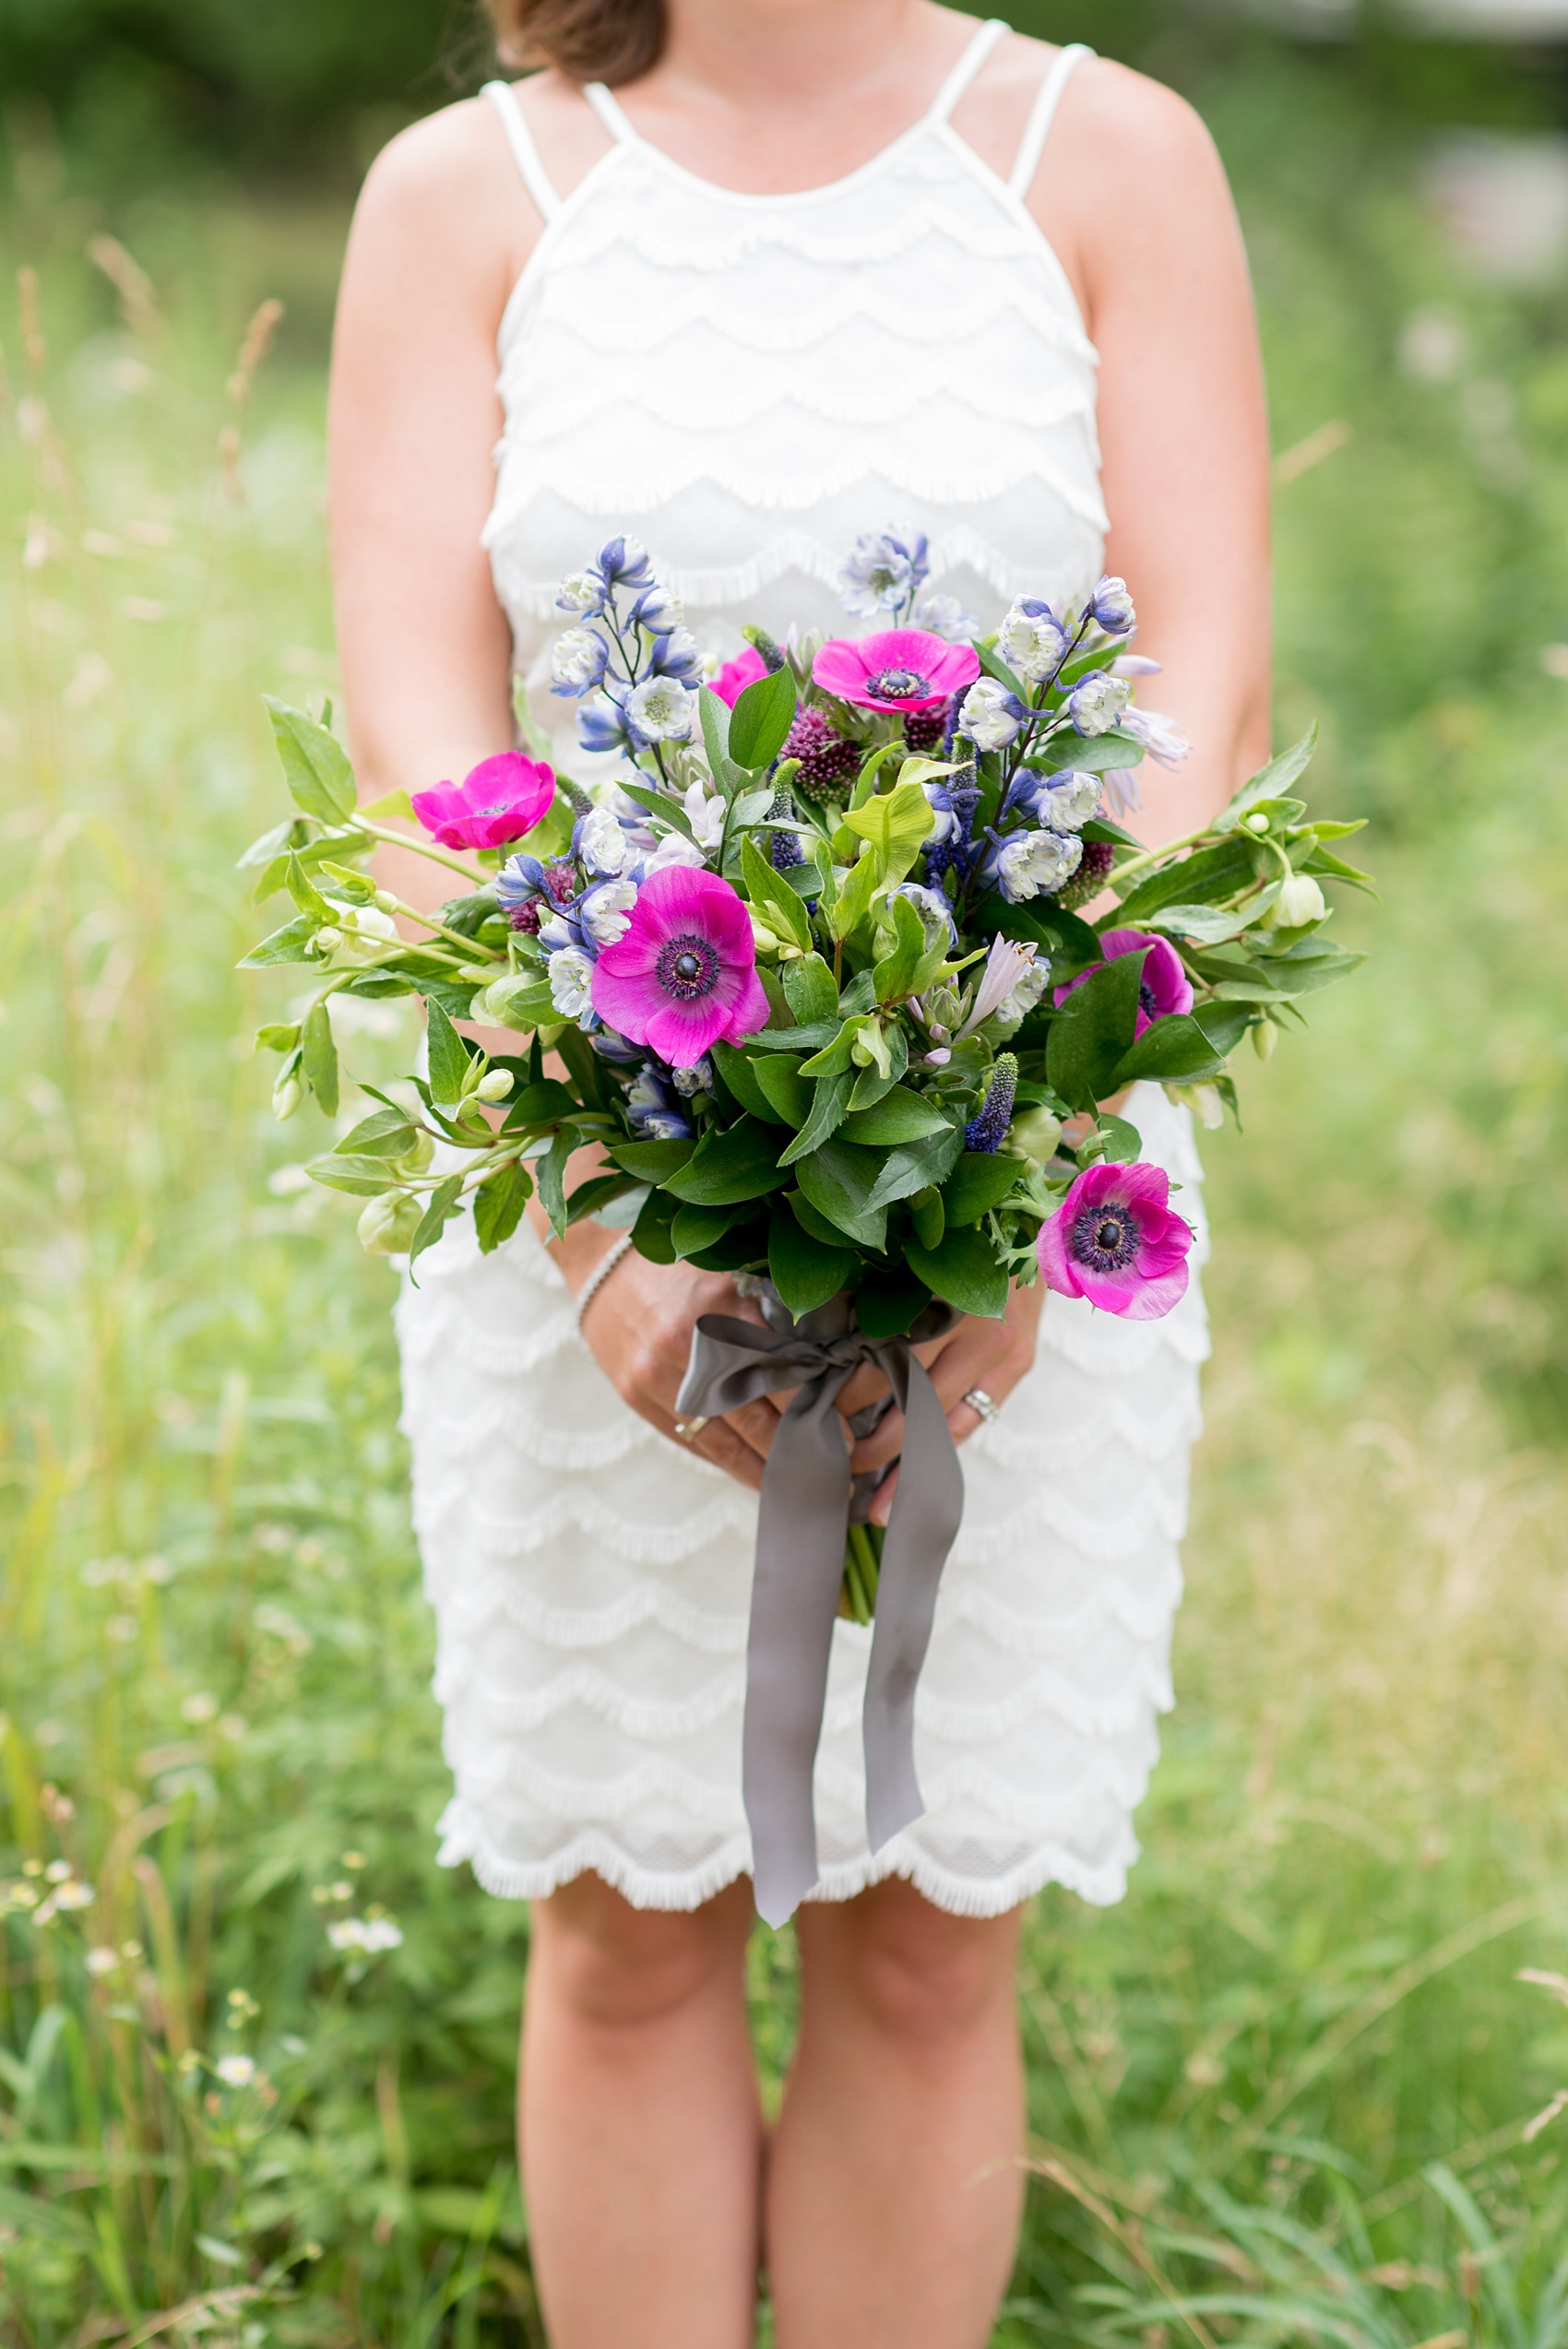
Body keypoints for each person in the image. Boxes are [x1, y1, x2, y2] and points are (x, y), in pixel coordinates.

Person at [328, 1, 1269, 2340]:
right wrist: (595, 1216)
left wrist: (1017, 1161)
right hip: (589, 1195)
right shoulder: (465, 200)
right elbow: (420, 763)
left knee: (938, 1944)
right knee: (630, 1935)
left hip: (1023, 1214)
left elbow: (1204, 710)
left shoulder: (1111, 160)